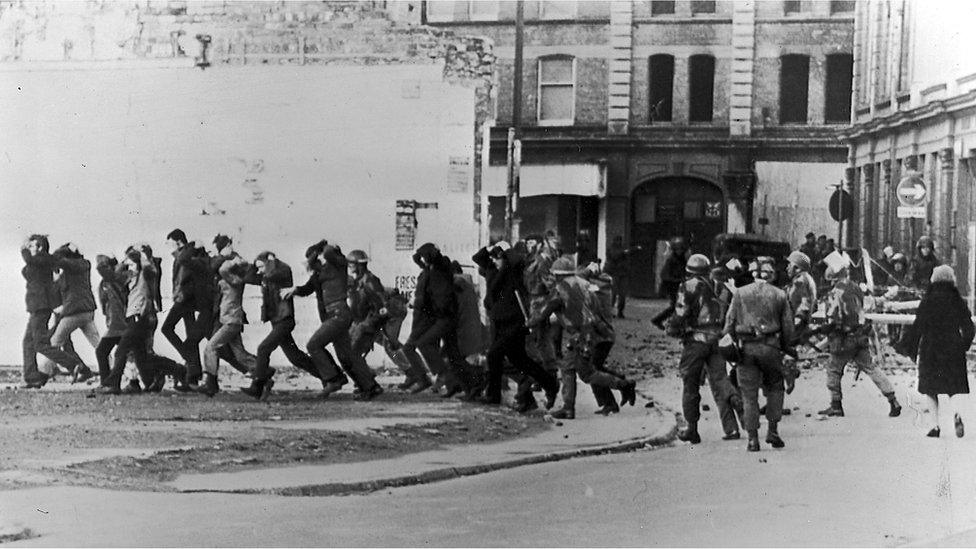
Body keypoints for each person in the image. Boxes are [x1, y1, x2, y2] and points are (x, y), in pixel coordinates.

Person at [529, 256, 636, 420]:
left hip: (582, 335)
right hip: (593, 331)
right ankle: (568, 408)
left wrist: (529, 322)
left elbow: (542, 313)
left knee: (587, 374)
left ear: (558, 275)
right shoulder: (582, 283)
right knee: (567, 368)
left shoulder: (559, 291)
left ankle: (622, 384)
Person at [288, 240, 381, 398]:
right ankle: (370, 387)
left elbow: (330, 252)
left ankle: (334, 379)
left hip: (339, 314)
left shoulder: (337, 265)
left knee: (313, 345)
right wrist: (294, 290)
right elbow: (307, 288)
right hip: (333, 316)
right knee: (347, 356)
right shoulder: (321, 273)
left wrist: (323, 245)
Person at [474, 242, 560, 411]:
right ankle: (550, 384)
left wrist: (505, 249)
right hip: (500, 322)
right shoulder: (492, 272)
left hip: (514, 322)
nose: (495, 261)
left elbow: (516, 260)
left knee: (494, 355)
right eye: (493, 258)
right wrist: (491, 247)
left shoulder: (513, 271)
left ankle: (493, 396)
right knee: (519, 359)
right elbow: (477, 258)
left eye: (498, 258)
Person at [668, 254, 742, 443]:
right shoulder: (720, 286)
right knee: (720, 380)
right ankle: (736, 406)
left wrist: (673, 328)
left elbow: (680, 312)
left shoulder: (689, 285)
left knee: (690, 383)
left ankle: (692, 429)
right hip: (717, 340)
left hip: (696, 340)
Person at [723, 257, 793, 452]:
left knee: (748, 394)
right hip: (771, 348)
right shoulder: (780, 295)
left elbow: (729, 323)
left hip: (747, 349)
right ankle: (773, 431)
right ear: (771, 275)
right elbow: (788, 327)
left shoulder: (740, 293)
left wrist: (729, 345)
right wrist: (787, 348)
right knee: (775, 388)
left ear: (753, 274)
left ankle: (752, 439)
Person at [896, 266, 975, 438]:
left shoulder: (928, 299)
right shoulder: (957, 300)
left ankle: (935, 426)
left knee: (930, 389)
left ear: (934, 279)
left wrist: (908, 346)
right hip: (953, 347)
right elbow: (969, 326)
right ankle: (957, 414)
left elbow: (918, 326)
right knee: (953, 388)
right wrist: (964, 344)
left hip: (931, 348)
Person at [817, 261, 902, 418]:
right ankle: (893, 399)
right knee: (871, 368)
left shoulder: (835, 293)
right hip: (860, 336)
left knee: (834, 369)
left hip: (842, 340)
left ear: (833, 278)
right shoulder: (856, 288)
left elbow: (833, 319)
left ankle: (836, 405)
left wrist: (824, 335)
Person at [240, 251, 320, 400]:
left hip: (285, 320)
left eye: (261, 267)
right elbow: (247, 277)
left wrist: (270, 261)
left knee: (263, 349)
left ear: (270, 263)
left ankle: (258, 386)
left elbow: (276, 272)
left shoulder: (282, 272)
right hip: (277, 321)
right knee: (295, 357)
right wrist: (254, 263)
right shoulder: (266, 276)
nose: (259, 271)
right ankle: (328, 376)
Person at [21, 234, 87, 388]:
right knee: (28, 342)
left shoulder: (43, 259)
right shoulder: (37, 262)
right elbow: (27, 269)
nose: (29, 249)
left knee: (39, 344)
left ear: (41, 247)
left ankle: (73, 365)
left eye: (32, 246)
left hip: (41, 307)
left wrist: (24, 249)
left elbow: (30, 260)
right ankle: (32, 377)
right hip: (36, 307)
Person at [196, 235, 259, 396]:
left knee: (211, 347)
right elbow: (217, 267)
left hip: (231, 318)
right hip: (227, 317)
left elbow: (224, 269)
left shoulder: (235, 270)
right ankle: (263, 373)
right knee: (239, 354)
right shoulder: (228, 266)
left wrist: (233, 261)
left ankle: (210, 383)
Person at [96, 245, 159, 395]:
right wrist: (123, 262)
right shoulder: (128, 277)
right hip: (129, 320)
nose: (128, 267)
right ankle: (151, 381)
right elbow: (108, 275)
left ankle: (112, 384)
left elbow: (150, 268)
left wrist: (140, 255)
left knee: (120, 352)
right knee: (139, 354)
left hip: (133, 320)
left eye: (131, 264)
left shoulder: (143, 275)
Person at [161, 229, 208, 385]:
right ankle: (193, 376)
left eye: (170, 242)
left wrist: (180, 295)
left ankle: (192, 365)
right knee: (189, 332)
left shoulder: (186, 254)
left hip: (185, 299)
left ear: (179, 241)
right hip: (185, 299)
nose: (168, 246)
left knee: (167, 328)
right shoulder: (181, 256)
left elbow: (184, 278)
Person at [49, 243, 98, 383]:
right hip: (87, 312)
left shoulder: (70, 267)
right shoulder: (83, 266)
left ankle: (44, 373)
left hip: (73, 313)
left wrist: (65, 248)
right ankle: (111, 372)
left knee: (54, 343)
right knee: (99, 345)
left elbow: (56, 257)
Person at [784, 250, 817, 393]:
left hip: (795, 321)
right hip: (797, 321)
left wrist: (798, 319)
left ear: (797, 267)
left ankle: (789, 373)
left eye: (789, 265)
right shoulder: (804, 279)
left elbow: (804, 302)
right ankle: (789, 371)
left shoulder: (800, 281)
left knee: (784, 351)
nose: (787, 268)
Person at [652, 237, 688, 330]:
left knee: (679, 306)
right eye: (678, 249)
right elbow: (665, 275)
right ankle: (659, 320)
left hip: (679, 285)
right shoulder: (672, 260)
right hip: (672, 286)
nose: (680, 251)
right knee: (675, 306)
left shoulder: (682, 259)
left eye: (681, 249)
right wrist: (677, 279)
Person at [604, 236, 640, 319]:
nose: (619, 242)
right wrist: (624, 252)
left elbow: (626, 254)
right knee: (613, 294)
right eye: (618, 241)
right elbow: (614, 256)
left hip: (623, 273)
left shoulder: (622, 248)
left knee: (622, 294)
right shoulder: (611, 248)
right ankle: (610, 311)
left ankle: (620, 311)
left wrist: (633, 250)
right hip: (614, 273)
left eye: (620, 241)